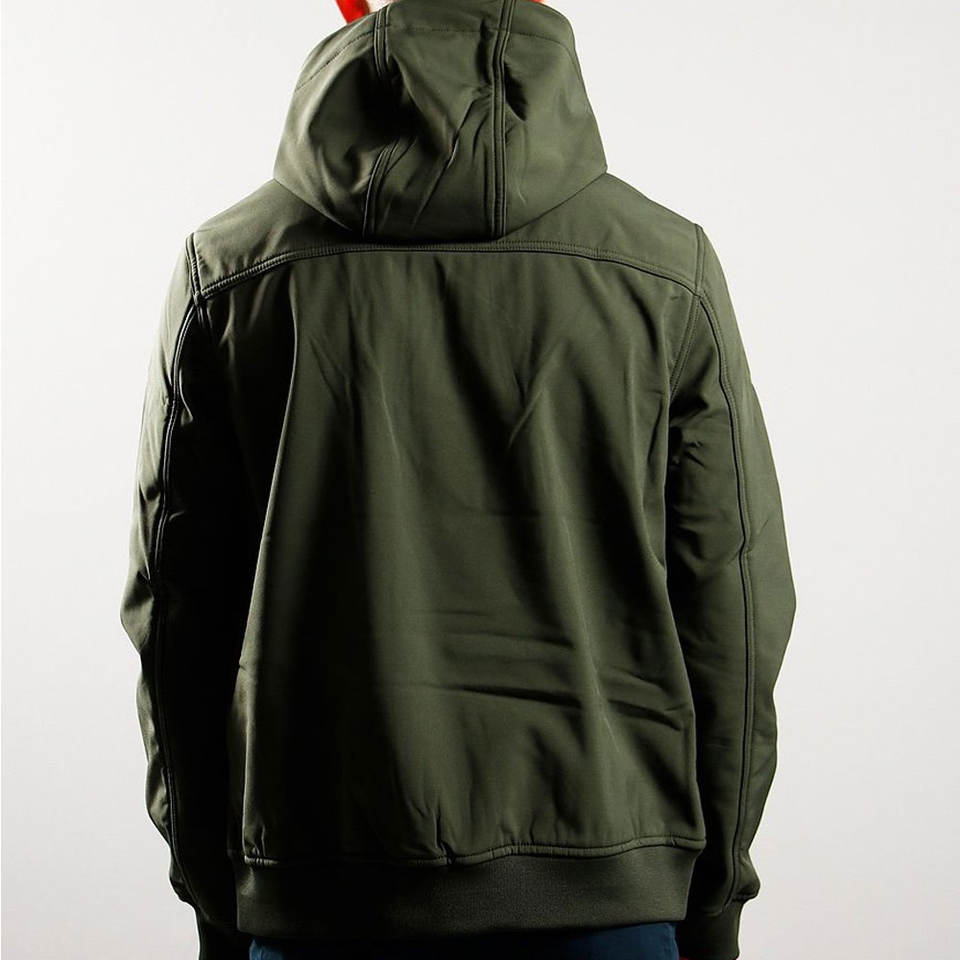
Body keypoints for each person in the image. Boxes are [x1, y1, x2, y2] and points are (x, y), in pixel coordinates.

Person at [118, 0, 797, 958]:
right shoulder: (665, 271)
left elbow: (176, 611)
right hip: (607, 901)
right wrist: (713, 899)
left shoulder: (231, 271)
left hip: (318, 898)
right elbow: (735, 610)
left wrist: (217, 893)